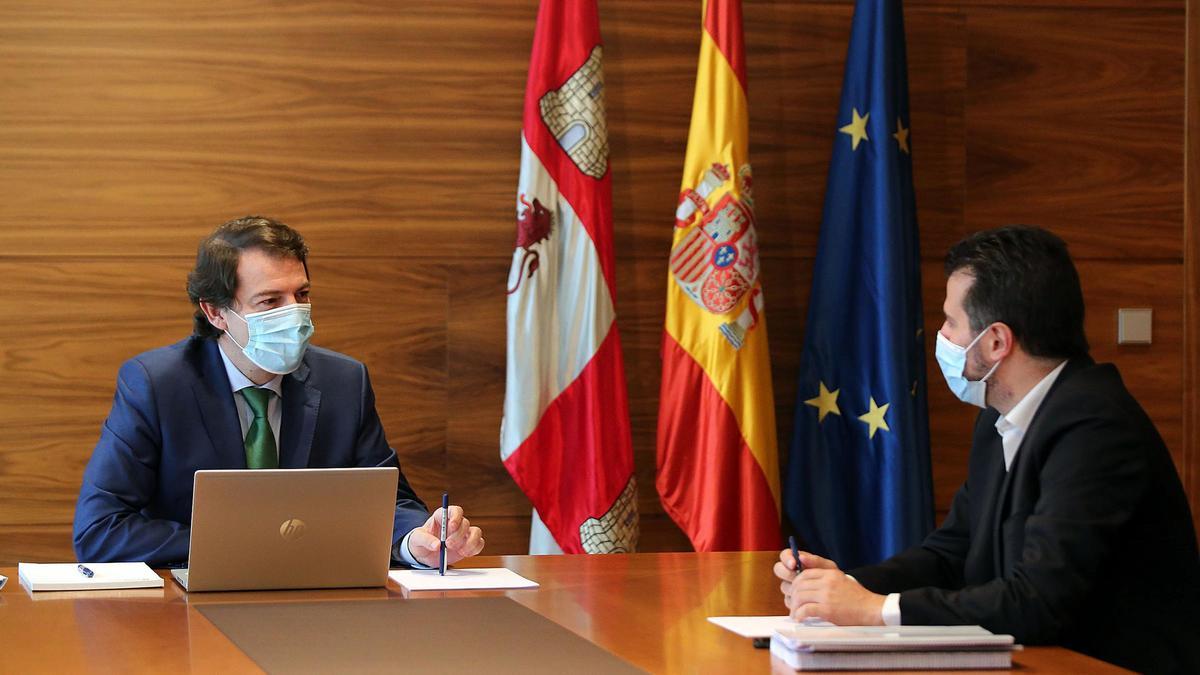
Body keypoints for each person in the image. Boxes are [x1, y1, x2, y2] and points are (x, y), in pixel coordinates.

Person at [776, 225, 1200, 674]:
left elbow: (1038, 601)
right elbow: (951, 553)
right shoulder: (1000, 418)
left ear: (996, 341)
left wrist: (875, 610)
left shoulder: (1095, 427)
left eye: (951, 323)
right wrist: (844, 586)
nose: (942, 336)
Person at [74, 216, 484, 569]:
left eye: (301, 295)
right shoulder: (156, 384)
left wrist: (418, 540)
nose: (295, 314)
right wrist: (243, 545)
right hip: (187, 607)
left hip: (316, 608)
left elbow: (389, 501)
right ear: (216, 312)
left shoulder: (345, 382)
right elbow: (100, 529)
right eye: (270, 301)